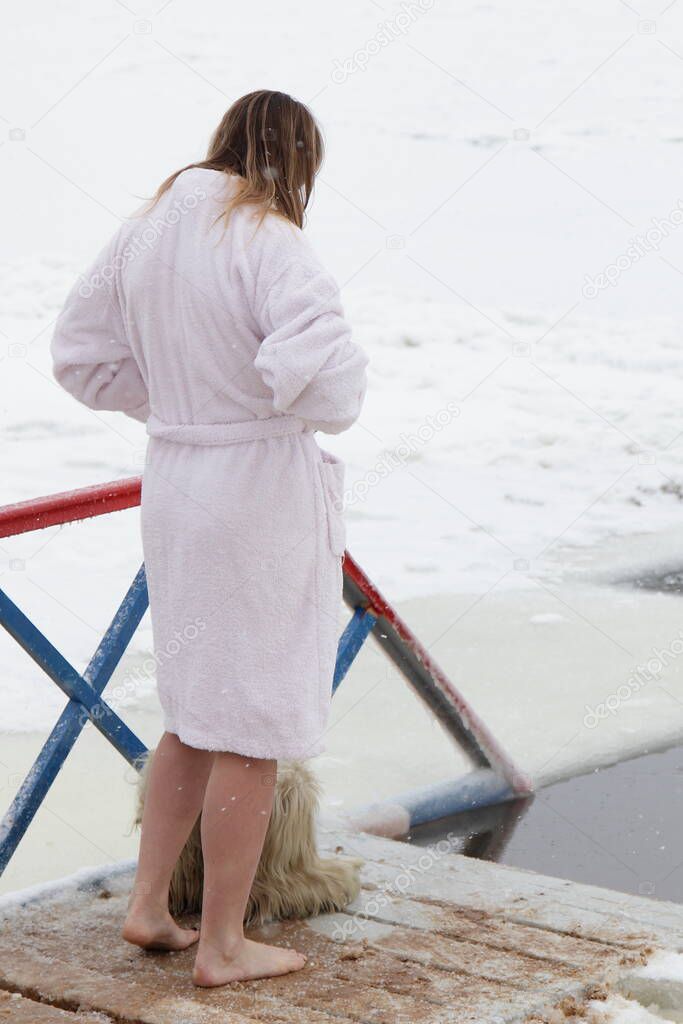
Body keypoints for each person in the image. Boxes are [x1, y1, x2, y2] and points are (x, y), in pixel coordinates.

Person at [50, 90, 368, 985]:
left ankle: (149, 909)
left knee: (193, 708)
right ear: (295, 158)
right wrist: (251, 406)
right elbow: (330, 385)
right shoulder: (268, 235)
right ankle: (224, 945)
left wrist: (181, 408)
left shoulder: (147, 228)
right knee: (254, 723)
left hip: (178, 481)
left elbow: (79, 356)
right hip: (254, 496)